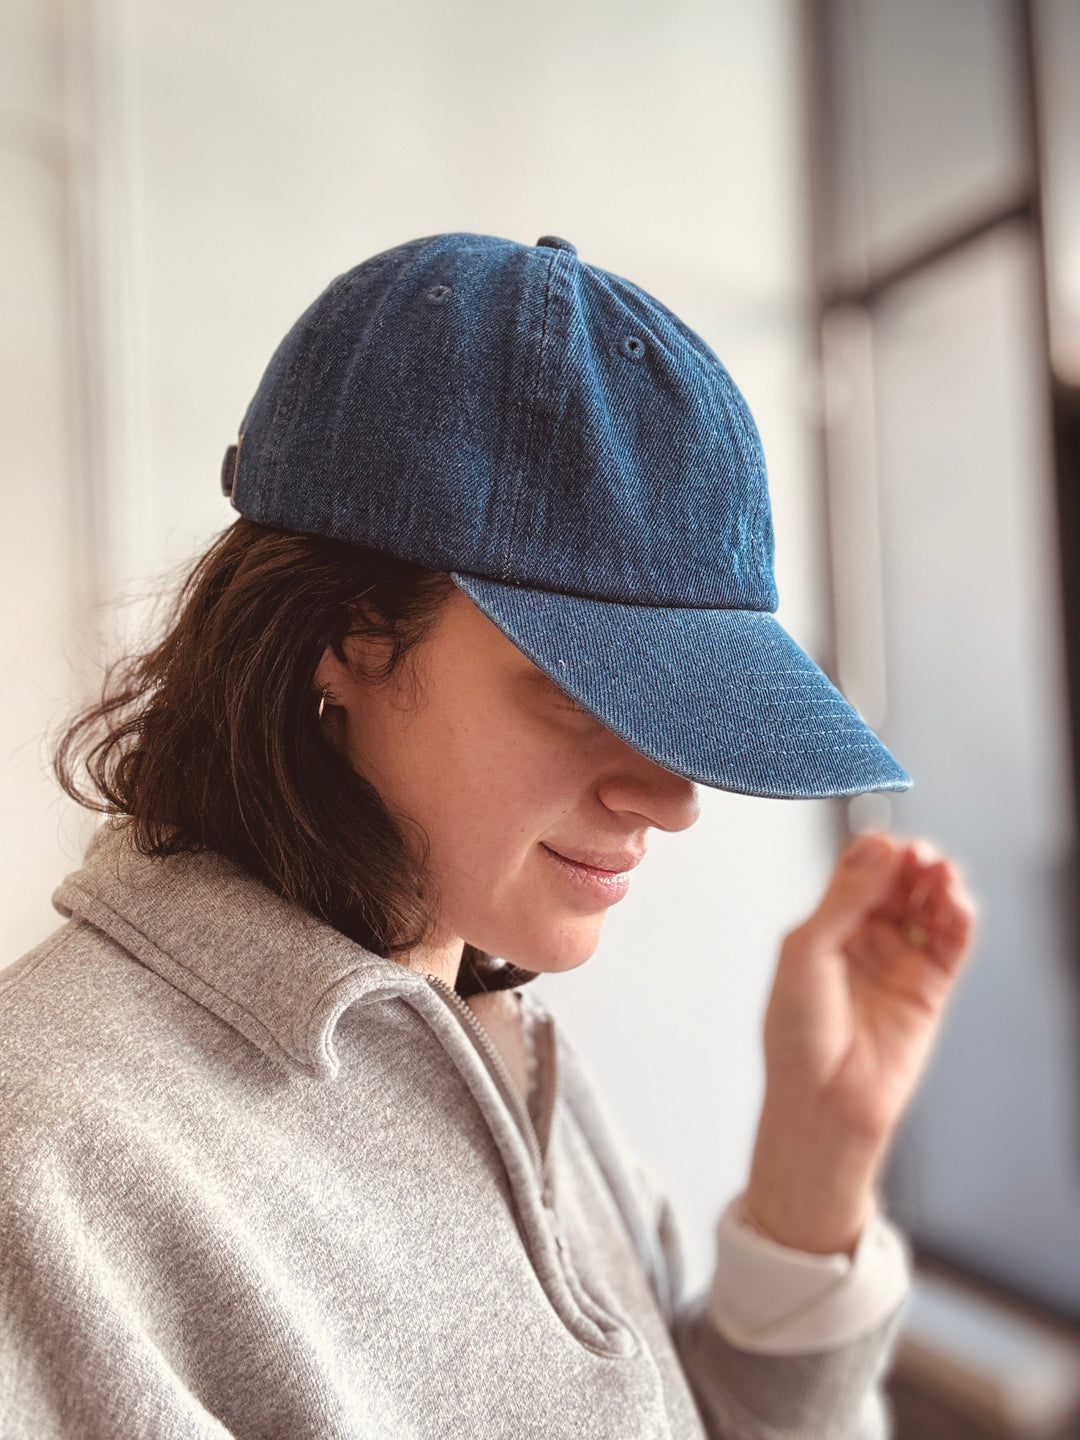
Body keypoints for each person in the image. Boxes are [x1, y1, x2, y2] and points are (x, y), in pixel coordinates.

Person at [0, 233, 976, 1439]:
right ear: (349, 634)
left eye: (689, 709)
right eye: (585, 689)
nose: (672, 801)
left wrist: (814, 1174)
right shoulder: (51, 1169)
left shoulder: (498, 1042)